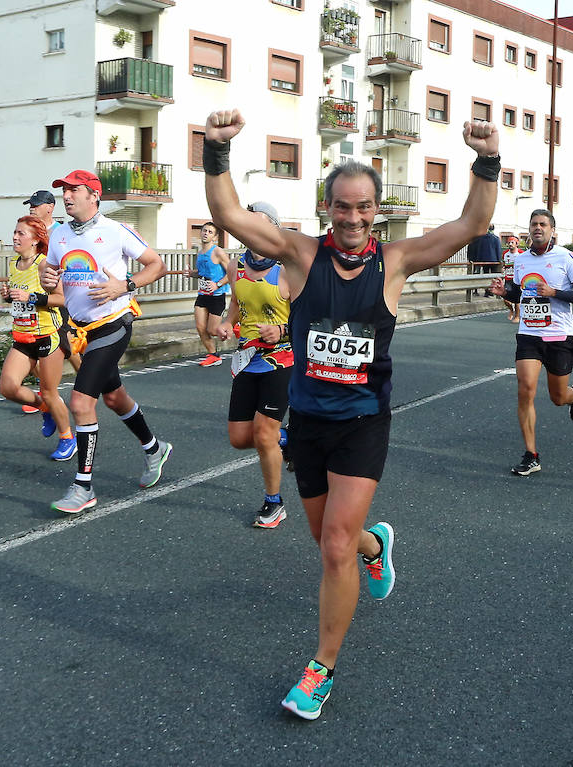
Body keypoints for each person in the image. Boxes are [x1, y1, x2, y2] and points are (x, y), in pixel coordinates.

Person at [202, 106, 500, 720]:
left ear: (377, 209)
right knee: (328, 539)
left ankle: (321, 669)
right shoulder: (299, 255)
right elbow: (228, 214)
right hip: (308, 421)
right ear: (327, 207)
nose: (354, 218)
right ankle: (376, 543)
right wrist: (217, 149)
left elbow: (472, 223)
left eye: (364, 208)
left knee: (333, 546)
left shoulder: (396, 261)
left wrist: (488, 159)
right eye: (343, 207)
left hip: (364, 423)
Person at [38, 169, 172, 513]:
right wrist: (46, 277)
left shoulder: (115, 230)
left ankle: (83, 487)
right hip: (81, 329)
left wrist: (124, 285)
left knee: (81, 402)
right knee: (114, 397)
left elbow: (157, 265)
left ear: (93, 196)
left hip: (114, 324)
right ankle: (154, 448)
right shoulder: (59, 234)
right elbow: (50, 278)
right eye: (64, 190)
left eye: (74, 190)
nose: (66, 196)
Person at [488, 210, 573, 475]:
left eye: (543, 224)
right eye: (534, 224)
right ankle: (531, 455)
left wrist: (554, 292)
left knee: (558, 396)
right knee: (525, 389)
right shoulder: (521, 260)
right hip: (529, 334)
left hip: (559, 335)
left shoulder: (566, 257)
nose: (538, 228)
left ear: (552, 230)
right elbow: (519, 293)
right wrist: (504, 292)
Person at [217, 201, 293, 528]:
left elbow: (309, 316)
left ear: (273, 228)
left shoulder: (288, 268)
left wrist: (282, 330)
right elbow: (236, 302)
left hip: (283, 359)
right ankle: (289, 440)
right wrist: (226, 322)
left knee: (263, 434)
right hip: (247, 359)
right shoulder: (236, 266)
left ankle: (274, 503)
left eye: (258, 223)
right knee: (239, 437)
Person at [0, 215, 76, 462]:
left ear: (35, 240)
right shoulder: (13, 264)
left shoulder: (44, 265)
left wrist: (31, 297)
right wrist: (9, 296)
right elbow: (20, 298)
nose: (15, 237)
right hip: (23, 336)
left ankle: (68, 438)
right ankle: (45, 408)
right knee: (8, 387)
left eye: (21, 233)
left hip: (47, 336)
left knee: (49, 391)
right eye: (15, 232)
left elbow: (62, 299)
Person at [193, 222, 232, 366]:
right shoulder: (200, 253)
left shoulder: (218, 252)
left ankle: (232, 327)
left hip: (217, 296)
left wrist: (218, 284)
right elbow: (203, 273)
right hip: (203, 295)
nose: (206, 233)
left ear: (215, 237)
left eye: (210, 232)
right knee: (200, 327)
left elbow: (231, 272)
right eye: (204, 230)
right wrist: (192, 274)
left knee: (213, 330)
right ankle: (214, 355)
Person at [500, 234, 522, 321]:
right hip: (508, 278)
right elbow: (503, 264)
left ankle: (517, 316)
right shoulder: (505, 253)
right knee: (505, 299)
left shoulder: (521, 253)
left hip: (517, 279)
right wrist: (503, 268)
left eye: (512, 242)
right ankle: (511, 310)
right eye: (509, 242)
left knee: (517, 300)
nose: (510, 244)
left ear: (517, 244)